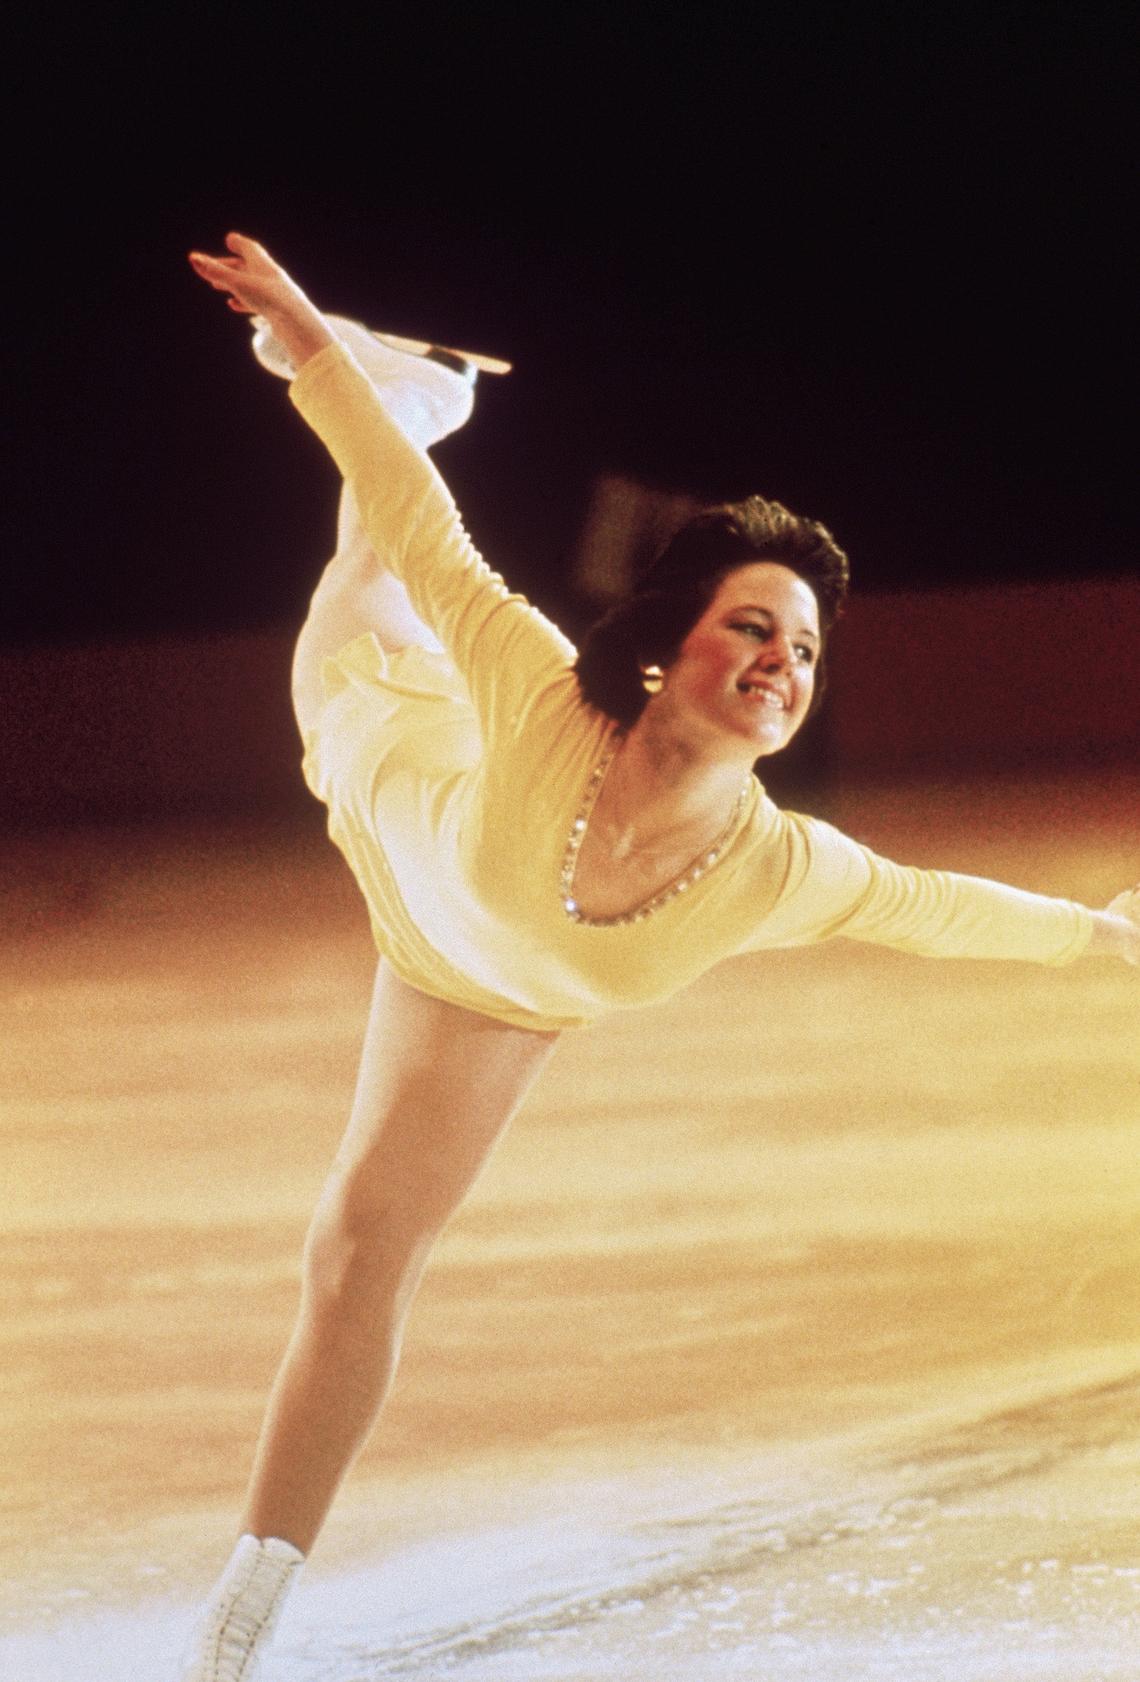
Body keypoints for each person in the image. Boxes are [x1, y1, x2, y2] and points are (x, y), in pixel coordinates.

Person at [181, 233, 1139, 1680]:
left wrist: (1104, 936)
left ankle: (237, 1624)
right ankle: (415, 391)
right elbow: (421, 520)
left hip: (475, 986)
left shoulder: (774, 868)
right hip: (393, 748)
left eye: (806, 648)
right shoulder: (542, 690)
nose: (781, 661)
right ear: (672, 641)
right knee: (367, 584)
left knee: (355, 1259)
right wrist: (313, 344)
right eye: (752, 624)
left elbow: (937, 905)